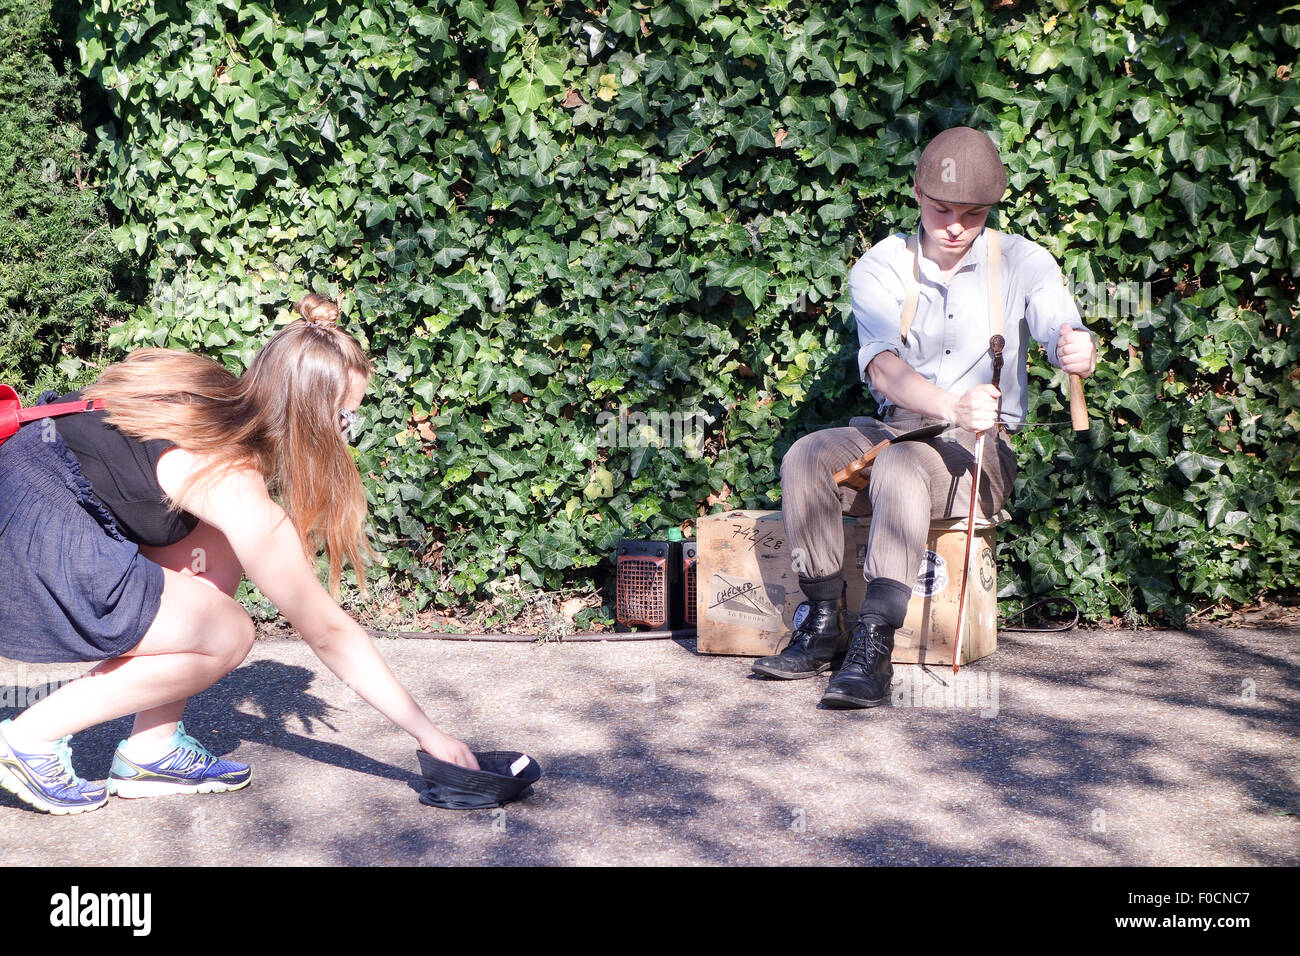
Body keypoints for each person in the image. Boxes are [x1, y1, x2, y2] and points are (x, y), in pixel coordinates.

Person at [0, 293, 478, 815]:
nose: (348, 437)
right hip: (29, 526)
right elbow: (327, 631)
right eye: (346, 420)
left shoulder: (209, 403)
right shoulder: (232, 482)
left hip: (24, 485)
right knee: (228, 634)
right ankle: (29, 738)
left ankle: (150, 752)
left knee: (216, 550)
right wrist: (429, 734)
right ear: (313, 419)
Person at [751, 126, 1098, 708]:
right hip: (897, 424)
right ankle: (821, 624)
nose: (957, 226)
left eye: (974, 213)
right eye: (943, 210)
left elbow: (1059, 322)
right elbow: (883, 369)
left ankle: (874, 645)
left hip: (980, 447)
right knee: (806, 455)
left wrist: (1079, 346)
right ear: (916, 192)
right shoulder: (882, 265)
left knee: (905, 467)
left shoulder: (1022, 261)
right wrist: (948, 402)